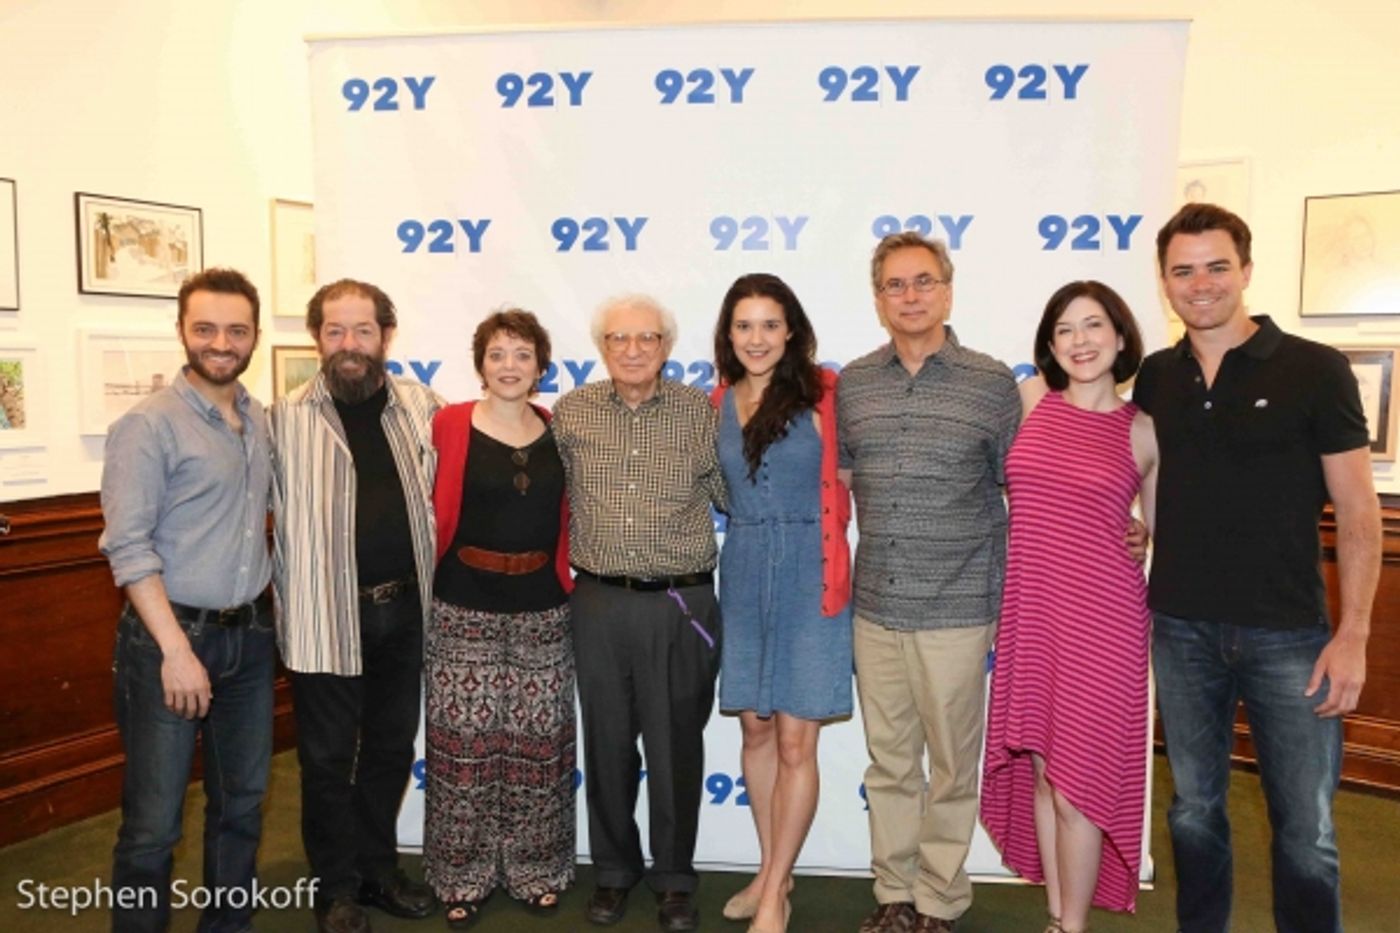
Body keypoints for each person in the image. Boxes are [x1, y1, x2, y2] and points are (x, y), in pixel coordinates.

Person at [1137, 203, 1381, 933]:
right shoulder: (1154, 376)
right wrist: (1133, 528)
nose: (1201, 283)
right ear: (1165, 282)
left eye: (1216, 266)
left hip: (1291, 638)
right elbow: (1149, 481)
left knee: (1306, 832)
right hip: (1181, 630)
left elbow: (1360, 514)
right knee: (1193, 812)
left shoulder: (1316, 368)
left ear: (1246, 269)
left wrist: (1354, 633)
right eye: (1183, 270)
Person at [837, 232, 1022, 933]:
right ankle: (894, 893)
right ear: (878, 297)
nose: (909, 296)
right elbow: (848, 482)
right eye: (894, 285)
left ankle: (940, 898)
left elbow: (1019, 489)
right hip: (876, 605)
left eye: (922, 282)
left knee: (949, 765)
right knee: (888, 763)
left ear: (947, 289)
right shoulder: (854, 382)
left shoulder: (992, 381)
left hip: (958, 604)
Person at [99, 268, 276, 933]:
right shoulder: (147, 426)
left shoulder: (257, 419)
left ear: (254, 334)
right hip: (168, 643)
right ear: (182, 331)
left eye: (235, 329)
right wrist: (176, 650)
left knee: (242, 805)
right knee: (152, 824)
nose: (220, 342)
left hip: (252, 640)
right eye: (205, 328)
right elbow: (129, 546)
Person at [979, 281, 1158, 933]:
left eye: (1093, 325)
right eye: (1065, 329)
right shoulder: (1029, 401)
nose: (1080, 341)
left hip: (1104, 623)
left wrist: (1144, 535)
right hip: (1032, 615)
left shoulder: (1144, 429)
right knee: (1045, 775)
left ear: (1119, 335)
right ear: (1050, 344)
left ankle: (1070, 926)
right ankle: (1057, 912)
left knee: (1077, 785)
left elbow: (1163, 531)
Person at [270, 279, 442, 933]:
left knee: (392, 749)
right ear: (317, 337)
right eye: (336, 331)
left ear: (386, 337)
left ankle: (379, 869)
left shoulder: (423, 408)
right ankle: (336, 885)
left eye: (363, 330)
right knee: (325, 758)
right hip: (323, 618)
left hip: (404, 613)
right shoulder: (282, 419)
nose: (350, 345)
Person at [551, 294, 727, 933]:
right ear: (602, 346)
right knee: (607, 745)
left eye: (646, 338)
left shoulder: (697, 414)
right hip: (598, 600)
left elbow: (736, 492)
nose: (632, 350)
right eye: (619, 339)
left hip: (680, 604)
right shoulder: (569, 414)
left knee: (677, 745)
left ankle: (675, 878)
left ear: (666, 347)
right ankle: (615, 871)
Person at [708, 273, 853, 933]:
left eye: (770, 323)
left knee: (798, 738)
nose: (757, 337)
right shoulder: (715, 403)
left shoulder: (827, 394)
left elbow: (859, 481)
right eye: (744, 325)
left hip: (810, 571)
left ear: (790, 329)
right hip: (742, 572)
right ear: (728, 334)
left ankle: (773, 898)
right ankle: (774, 871)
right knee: (756, 729)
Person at [423, 309, 576, 929]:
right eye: (497, 353)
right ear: (479, 363)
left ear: (541, 366)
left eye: (521, 354)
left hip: (543, 608)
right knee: (464, 749)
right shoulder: (448, 425)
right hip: (462, 606)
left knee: (538, 750)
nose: (509, 365)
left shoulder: (561, 429)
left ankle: (537, 867)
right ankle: (460, 874)